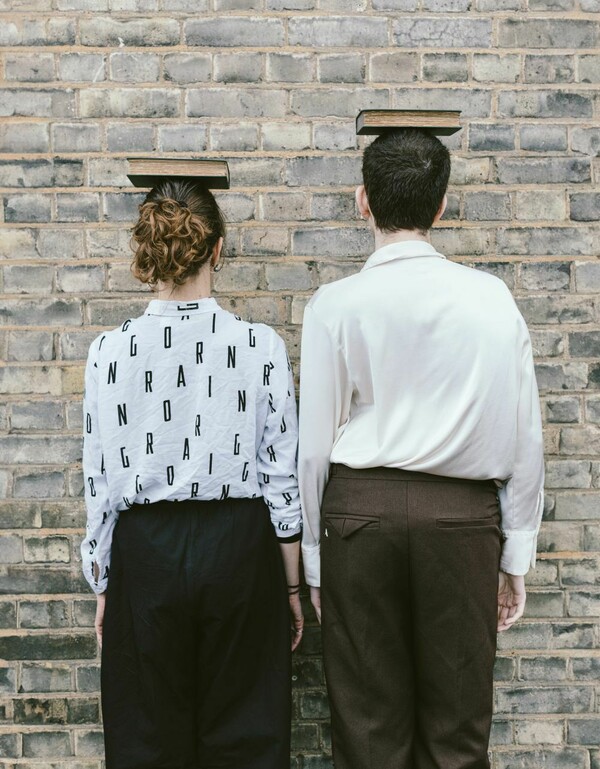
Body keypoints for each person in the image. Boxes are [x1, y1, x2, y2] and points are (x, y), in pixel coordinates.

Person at [298, 128, 544, 769]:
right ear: (441, 207)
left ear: (362, 202)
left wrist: (315, 560)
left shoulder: (335, 305)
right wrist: (515, 552)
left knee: (369, 731)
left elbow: (313, 446)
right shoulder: (492, 300)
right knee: (459, 732)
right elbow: (524, 436)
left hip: (360, 517)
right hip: (461, 521)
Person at [81, 179, 303, 769]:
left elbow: (99, 481)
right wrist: (291, 587)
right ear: (219, 250)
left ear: (148, 250)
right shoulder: (259, 346)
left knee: (146, 743)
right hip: (239, 548)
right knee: (247, 737)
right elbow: (282, 477)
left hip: (146, 552)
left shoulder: (109, 350)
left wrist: (104, 579)